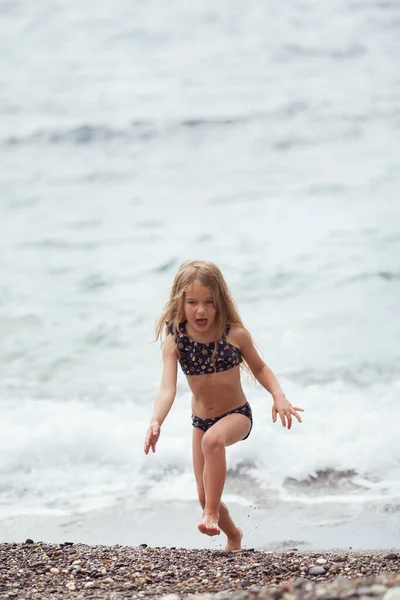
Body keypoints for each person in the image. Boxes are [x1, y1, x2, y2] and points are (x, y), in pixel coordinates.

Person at [144, 260, 303, 550]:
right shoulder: (175, 342)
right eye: (192, 302)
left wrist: (279, 396)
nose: (200, 310)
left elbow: (260, 368)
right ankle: (233, 534)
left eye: (208, 302)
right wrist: (156, 421)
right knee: (205, 495)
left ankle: (211, 514)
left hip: (237, 416)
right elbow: (167, 388)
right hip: (199, 422)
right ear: (180, 302)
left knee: (213, 441)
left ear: (220, 302)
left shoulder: (234, 335)